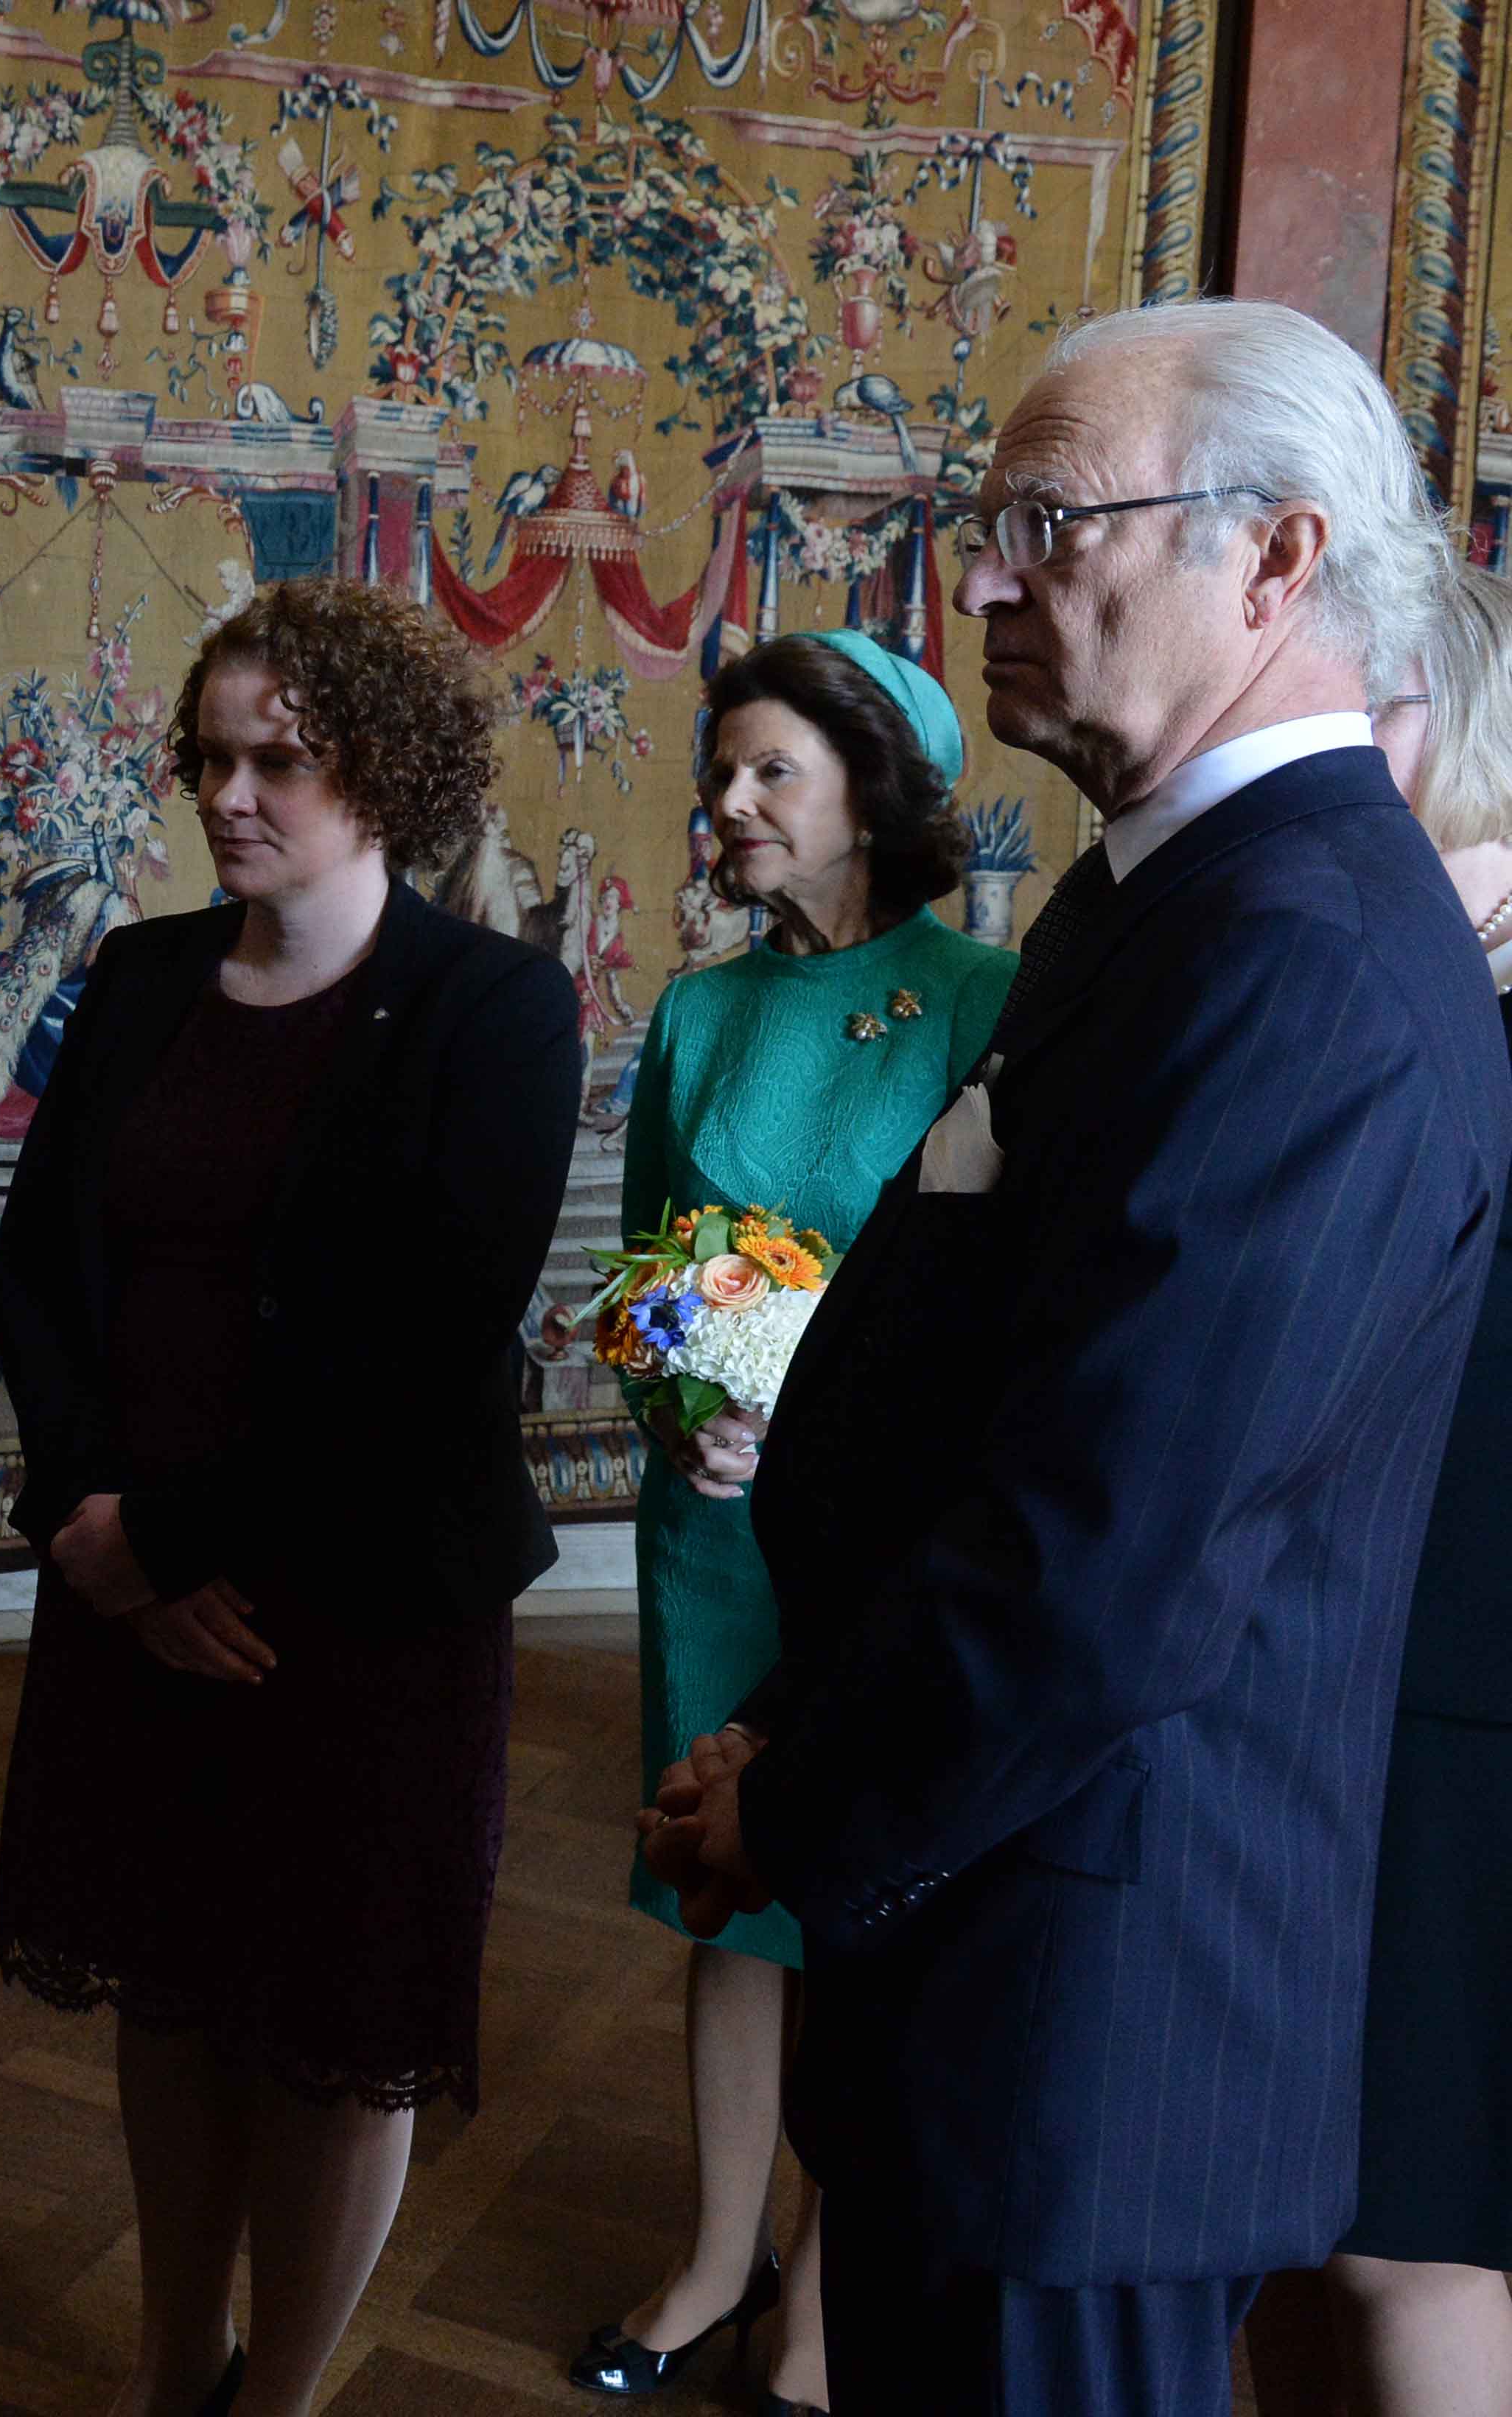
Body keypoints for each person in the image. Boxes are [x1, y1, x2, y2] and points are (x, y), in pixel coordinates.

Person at [643, 296, 1512, 2416]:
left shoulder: (1301, 958)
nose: (991, 580)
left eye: (1053, 520)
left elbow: (1104, 1553)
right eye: (985, 518)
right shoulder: (1166, 902)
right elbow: (977, 1412)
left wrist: (798, 1799)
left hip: (1105, 2017)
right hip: (1000, 1951)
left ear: (1280, 561)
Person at [0, 578, 581, 2417]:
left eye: (278, 761)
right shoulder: (147, 976)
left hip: (362, 1608)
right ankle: (181, 2365)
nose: (230, 794)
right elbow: (40, 1270)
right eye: (211, 757)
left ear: (383, 772)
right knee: (170, 1991)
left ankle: (285, 2394)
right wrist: (91, 1521)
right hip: (124, 1584)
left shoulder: (491, 1005)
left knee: (333, 2038)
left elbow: (424, 1340)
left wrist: (163, 1543)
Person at [575, 629, 1011, 2414]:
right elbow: (645, 1271)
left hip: (887, 1538)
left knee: (855, 1895)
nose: (729, 805)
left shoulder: (987, 994)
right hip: (718, 1523)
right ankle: (712, 2249)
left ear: (870, 797)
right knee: (725, 1894)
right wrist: (683, 1412)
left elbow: (997, 1286)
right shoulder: (696, 1009)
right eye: (723, 773)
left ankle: (823, 2305)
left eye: (772, 773)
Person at [1246, 564, 1512, 2417]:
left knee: (1417, 2239)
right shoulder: (1361, 992)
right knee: (1287, 2224)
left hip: (1467, 1706)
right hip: (1325, 1682)